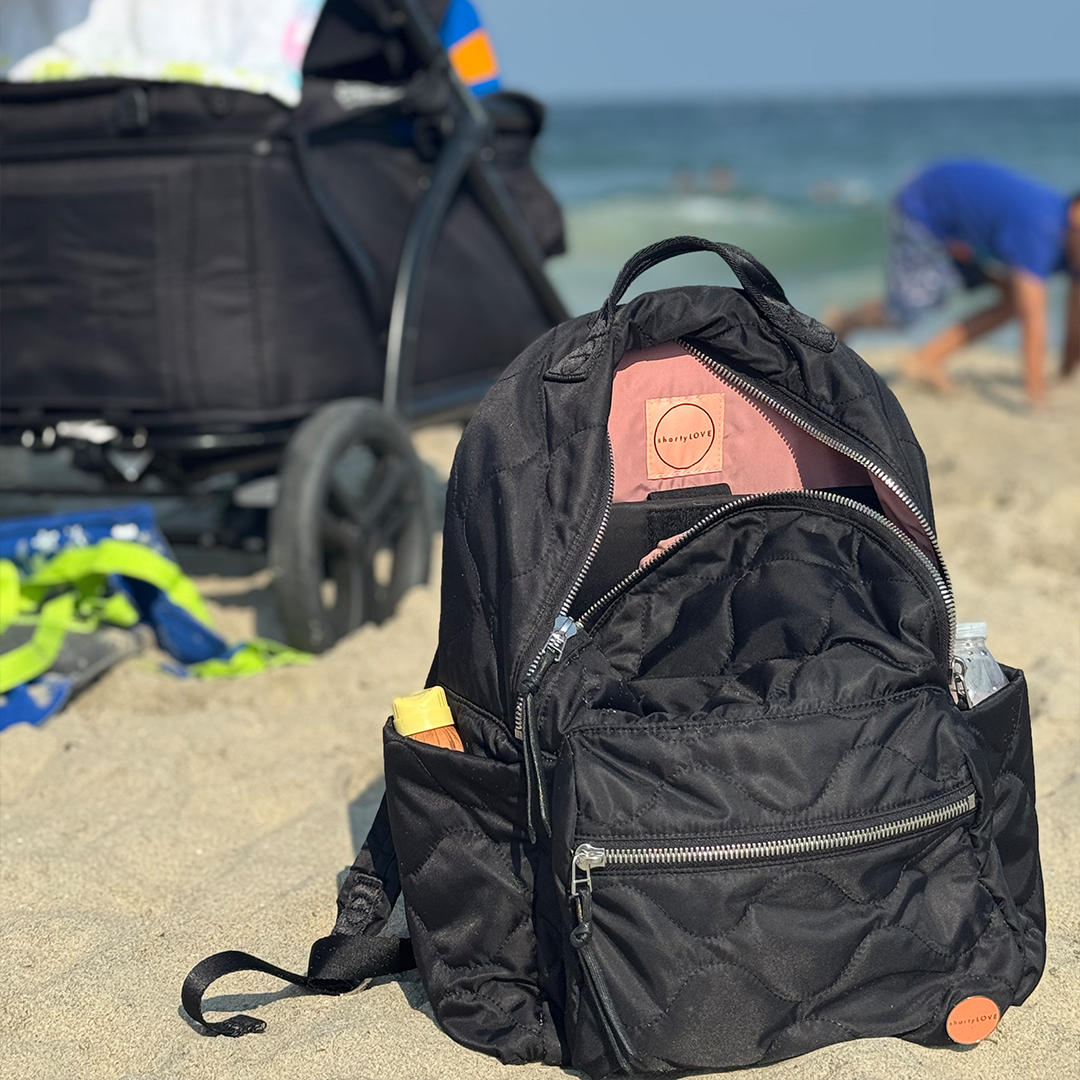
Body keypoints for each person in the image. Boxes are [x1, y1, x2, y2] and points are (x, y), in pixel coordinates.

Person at [826, 160, 1080, 406]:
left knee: (1013, 301)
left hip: (965, 230)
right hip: (926, 205)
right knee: (904, 312)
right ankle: (844, 321)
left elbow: (1075, 315)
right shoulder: (1042, 227)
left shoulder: (1072, 242)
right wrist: (1037, 398)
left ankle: (927, 359)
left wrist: (1066, 373)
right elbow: (1033, 319)